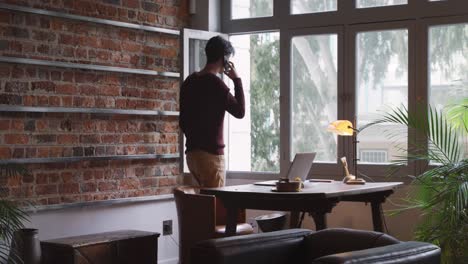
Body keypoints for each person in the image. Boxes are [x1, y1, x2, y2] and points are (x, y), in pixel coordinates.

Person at [179, 36, 245, 187]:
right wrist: (237, 80)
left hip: (192, 156)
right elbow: (240, 112)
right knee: (216, 206)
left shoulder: (189, 81)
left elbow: (183, 121)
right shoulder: (217, 84)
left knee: (203, 203)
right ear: (224, 58)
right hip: (210, 157)